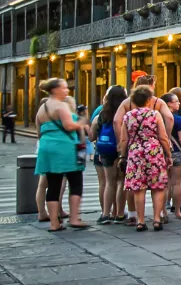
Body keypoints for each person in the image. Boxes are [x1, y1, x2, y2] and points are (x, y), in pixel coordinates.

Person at [35, 78, 90, 231]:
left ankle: (54, 223)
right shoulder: (61, 106)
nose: (67, 91)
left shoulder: (42, 108)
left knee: (53, 184)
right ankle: (74, 218)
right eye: (64, 88)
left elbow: (39, 131)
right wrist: (82, 120)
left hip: (46, 146)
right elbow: (69, 125)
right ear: (55, 90)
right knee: (75, 182)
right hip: (64, 147)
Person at [118, 86, 171, 231]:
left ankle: (140, 221)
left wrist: (123, 155)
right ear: (149, 100)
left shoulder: (128, 116)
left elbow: (123, 140)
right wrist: (168, 154)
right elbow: (163, 137)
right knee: (158, 187)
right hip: (154, 151)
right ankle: (156, 219)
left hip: (135, 152)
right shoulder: (155, 115)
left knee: (138, 189)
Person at [91, 85, 128, 224]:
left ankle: (105, 214)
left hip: (105, 149)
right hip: (121, 149)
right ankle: (119, 213)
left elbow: (92, 135)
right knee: (121, 182)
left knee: (108, 183)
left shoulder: (102, 113)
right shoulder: (125, 112)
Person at [161, 91, 181, 221]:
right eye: (175, 101)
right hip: (176, 152)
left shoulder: (157, 118)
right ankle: (177, 211)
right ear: (168, 104)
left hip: (161, 152)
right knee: (177, 183)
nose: (179, 103)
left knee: (164, 184)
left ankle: (162, 212)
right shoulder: (177, 119)